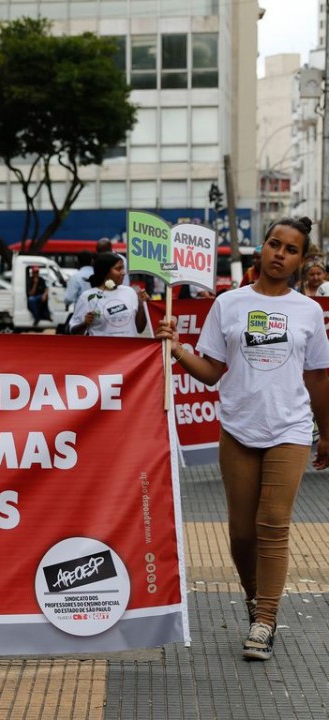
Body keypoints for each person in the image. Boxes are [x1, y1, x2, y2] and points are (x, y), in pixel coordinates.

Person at [156, 216, 329, 662]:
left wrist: (326, 432)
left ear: (301, 259)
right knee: (240, 533)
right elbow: (212, 372)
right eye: (274, 244)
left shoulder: (308, 311)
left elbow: (317, 377)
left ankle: (265, 620)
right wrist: (177, 349)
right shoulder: (228, 304)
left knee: (273, 524)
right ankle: (254, 599)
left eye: (291, 250)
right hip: (237, 429)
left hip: (290, 430)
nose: (280, 254)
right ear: (262, 248)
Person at [68, 252, 149, 336]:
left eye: (123, 268)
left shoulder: (130, 292)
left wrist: (141, 305)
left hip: (130, 345)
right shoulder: (87, 297)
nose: (123, 272)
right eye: (118, 269)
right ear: (105, 272)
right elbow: (73, 331)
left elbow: (139, 329)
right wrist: (85, 324)